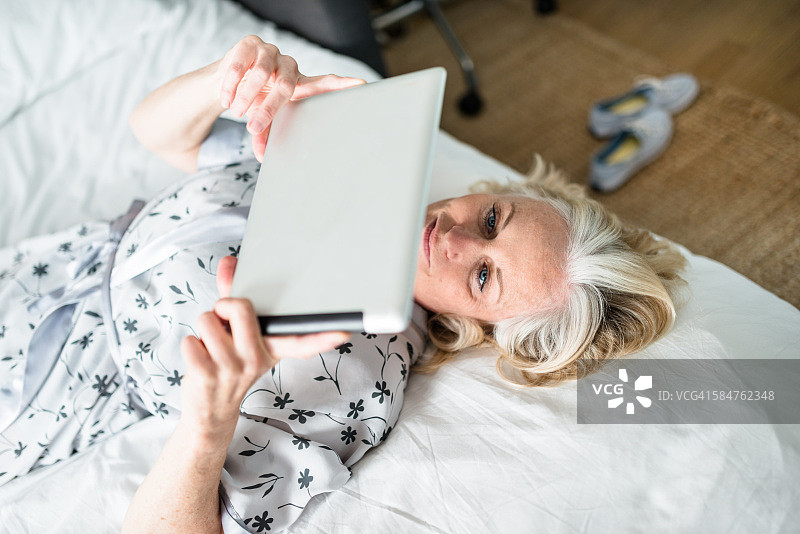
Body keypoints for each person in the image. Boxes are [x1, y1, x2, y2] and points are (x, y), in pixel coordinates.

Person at [0, 35, 685, 533]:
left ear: (486, 331)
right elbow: (162, 137)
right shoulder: (361, 158)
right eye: (491, 218)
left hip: (39, 379)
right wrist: (226, 80)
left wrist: (208, 422)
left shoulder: (359, 374)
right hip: (37, 265)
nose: (450, 236)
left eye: (482, 274)